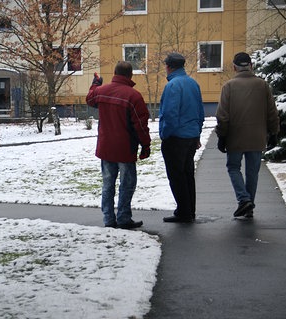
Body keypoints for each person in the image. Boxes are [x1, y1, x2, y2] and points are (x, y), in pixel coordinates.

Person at [86, 61, 151, 229]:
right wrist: (145, 145)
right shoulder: (133, 96)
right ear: (130, 75)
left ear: (115, 73)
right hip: (125, 149)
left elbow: (90, 98)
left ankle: (108, 219)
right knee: (127, 183)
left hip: (106, 147)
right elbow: (141, 125)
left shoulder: (102, 91)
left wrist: (95, 84)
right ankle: (123, 217)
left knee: (108, 183)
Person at [215, 52, 280, 219]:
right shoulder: (263, 85)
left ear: (234, 67)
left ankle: (244, 200)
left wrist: (222, 137)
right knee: (252, 172)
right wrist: (273, 132)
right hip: (257, 137)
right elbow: (272, 112)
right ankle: (248, 206)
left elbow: (222, 116)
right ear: (251, 65)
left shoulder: (228, 86)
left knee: (233, 167)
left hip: (235, 137)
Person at [159, 53, 205, 223]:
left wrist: (165, 134)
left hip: (176, 137)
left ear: (169, 66)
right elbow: (200, 112)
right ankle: (189, 210)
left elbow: (170, 114)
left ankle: (183, 212)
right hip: (191, 136)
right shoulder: (193, 83)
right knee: (187, 174)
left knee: (176, 176)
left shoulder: (172, 86)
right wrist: (197, 134)